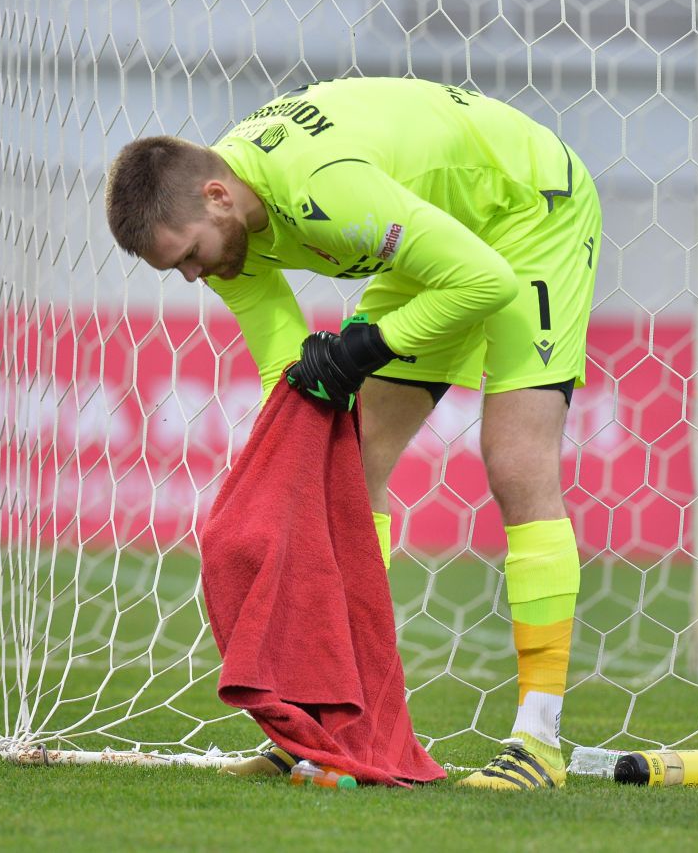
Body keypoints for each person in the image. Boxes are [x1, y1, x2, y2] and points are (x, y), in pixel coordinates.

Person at [105, 77, 600, 790]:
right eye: (177, 267)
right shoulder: (225, 237)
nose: (192, 275)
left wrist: (365, 348)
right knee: (345, 462)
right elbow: (292, 377)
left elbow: (486, 281)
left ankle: (538, 742)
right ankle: (333, 719)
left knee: (516, 461)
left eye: (189, 255)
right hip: (430, 234)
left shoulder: (325, 194)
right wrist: (325, 378)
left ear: (217, 196)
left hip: (524, 209)